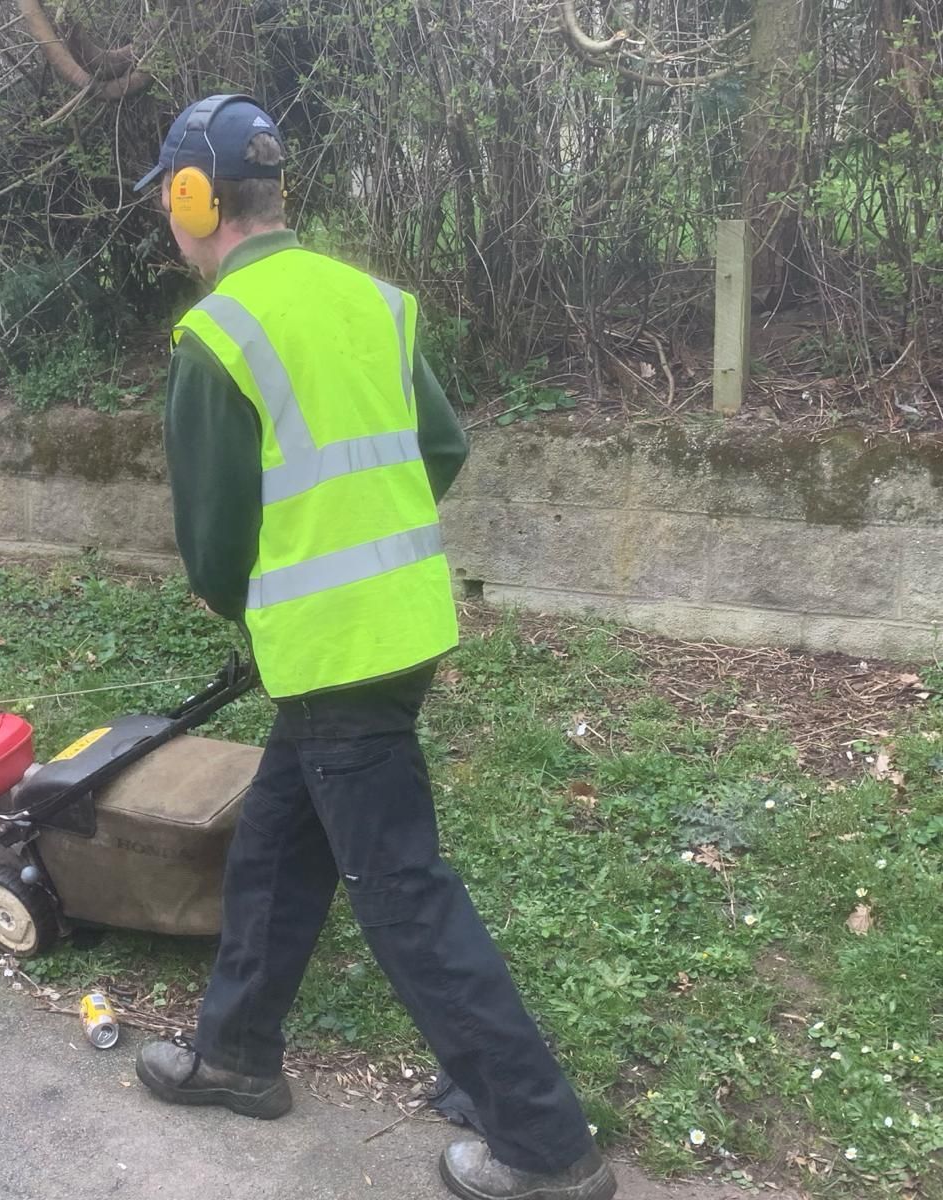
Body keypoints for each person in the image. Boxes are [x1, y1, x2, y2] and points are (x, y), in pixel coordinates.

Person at [130, 94, 617, 1200]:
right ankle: (236, 1056)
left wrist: (281, 595)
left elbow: (213, 550)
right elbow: (439, 445)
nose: (169, 219)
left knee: (401, 893)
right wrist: (362, 546)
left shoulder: (217, 335)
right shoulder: (374, 303)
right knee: (274, 839)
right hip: (399, 633)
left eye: (169, 200)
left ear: (194, 198)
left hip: (332, 652)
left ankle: (546, 1149)